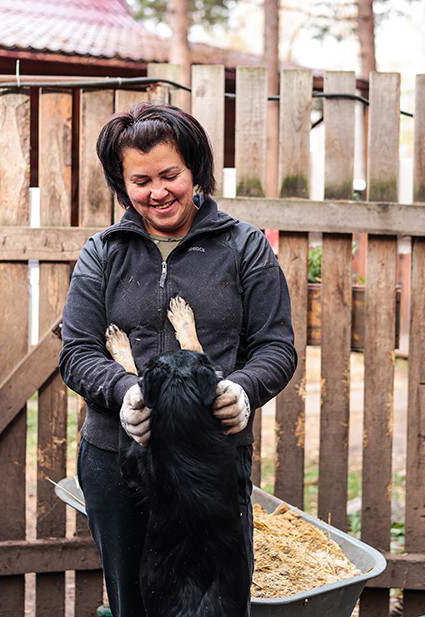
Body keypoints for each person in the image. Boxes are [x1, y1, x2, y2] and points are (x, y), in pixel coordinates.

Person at [58, 100, 297, 617]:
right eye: (140, 180)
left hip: (208, 466)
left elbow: (277, 347)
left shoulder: (244, 247)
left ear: (196, 171)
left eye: (170, 175)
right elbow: (77, 353)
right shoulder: (103, 252)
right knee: (134, 605)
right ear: (122, 185)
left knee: (212, 605)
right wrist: (125, 394)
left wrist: (244, 389)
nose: (158, 192)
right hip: (117, 459)